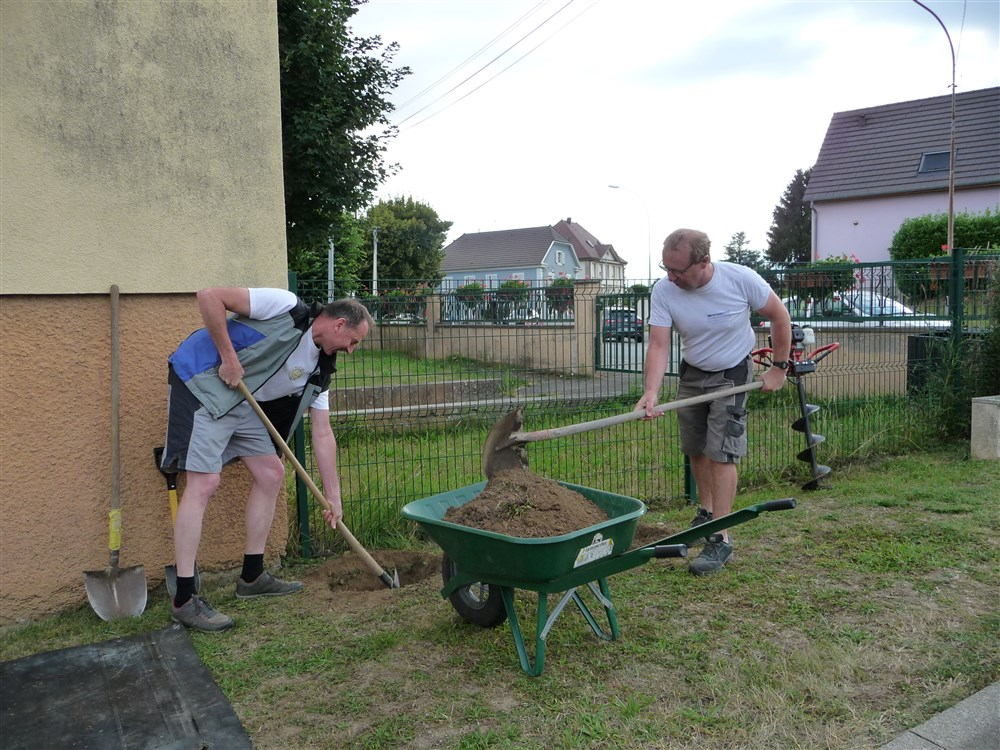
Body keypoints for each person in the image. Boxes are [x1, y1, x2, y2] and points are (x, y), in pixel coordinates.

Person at [160, 287, 373, 632]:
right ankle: (184, 599)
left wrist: (333, 496)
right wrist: (229, 358)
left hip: (242, 401)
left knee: (272, 473)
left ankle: (252, 576)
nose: (351, 350)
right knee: (205, 482)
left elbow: (323, 434)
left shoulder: (320, 370)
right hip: (202, 383)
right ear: (338, 325)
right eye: (353, 341)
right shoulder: (286, 307)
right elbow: (209, 297)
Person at [636, 229, 791, 575]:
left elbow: (779, 316)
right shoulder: (664, 290)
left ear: (704, 261)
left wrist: (779, 368)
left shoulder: (740, 279)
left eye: (678, 270)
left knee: (722, 452)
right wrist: (651, 391)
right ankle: (706, 514)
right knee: (696, 447)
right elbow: (658, 344)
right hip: (693, 371)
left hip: (732, 372)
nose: (671, 277)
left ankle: (721, 537)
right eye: (666, 268)